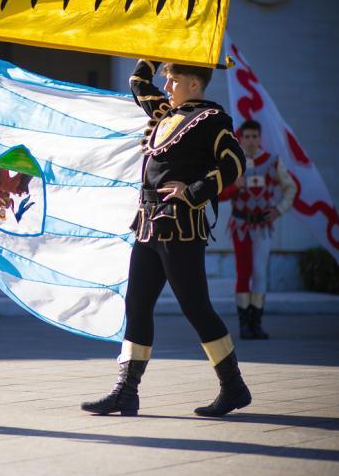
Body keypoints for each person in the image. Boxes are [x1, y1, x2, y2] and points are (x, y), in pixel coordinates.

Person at [81, 60, 251, 418]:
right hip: (147, 225)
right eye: (167, 79)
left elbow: (234, 162)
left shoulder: (211, 120)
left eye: (174, 80)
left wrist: (194, 191)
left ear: (194, 84)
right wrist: (163, 47)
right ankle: (125, 392)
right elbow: (138, 80)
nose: (167, 85)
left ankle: (233, 386)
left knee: (197, 308)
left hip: (182, 227)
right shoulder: (164, 112)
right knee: (137, 306)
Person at [219, 120, 296, 339]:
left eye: (255, 137)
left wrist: (279, 210)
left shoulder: (272, 161)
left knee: (260, 274)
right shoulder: (233, 163)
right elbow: (218, 194)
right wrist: (235, 187)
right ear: (240, 138)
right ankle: (244, 324)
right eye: (247, 137)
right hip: (241, 225)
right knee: (243, 273)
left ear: (260, 138)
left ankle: (257, 322)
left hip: (262, 226)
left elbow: (291, 187)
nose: (251, 141)